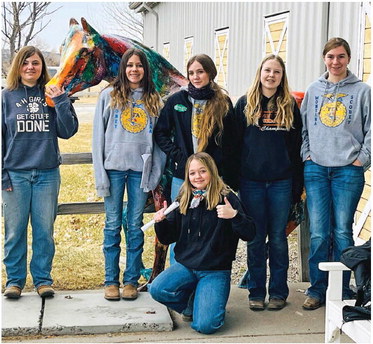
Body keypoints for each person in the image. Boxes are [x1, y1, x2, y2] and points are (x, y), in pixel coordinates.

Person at [148, 152, 255, 334]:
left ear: (212, 172)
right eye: (192, 173)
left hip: (215, 270)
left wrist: (234, 216)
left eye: (202, 171)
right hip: (187, 266)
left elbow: (250, 233)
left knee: (205, 326)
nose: (197, 177)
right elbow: (167, 238)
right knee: (157, 289)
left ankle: (207, 306)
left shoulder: (227, 198)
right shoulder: (184, 198)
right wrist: (161, 222)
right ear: (188, 176)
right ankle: (192, 305)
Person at [2, 46, 78, 299]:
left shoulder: (52, 93)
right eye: (25, 63)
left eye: (35, 63)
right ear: (18, 67)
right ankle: (14, 281)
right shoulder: (6, 97)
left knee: (44, 230)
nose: (30, 68)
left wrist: (61, 101)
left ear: (42, 67)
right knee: (15, 231)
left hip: (47, 174)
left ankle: (43, 280)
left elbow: (68, 131)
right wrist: (3, 176)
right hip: (16, 174)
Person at [300, 37, 371, 310]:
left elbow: (370, 129)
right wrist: (307, 156)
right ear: (324, 58)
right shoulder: (314, 89)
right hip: (316, 168)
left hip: (347, 172)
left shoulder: (362, 91)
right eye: (330, 56)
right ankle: (317, 288)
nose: (335, 62)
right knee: (318, 232)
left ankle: (342, 289)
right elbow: (304, 126)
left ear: (348, 59)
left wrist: (362, 159)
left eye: (340, 56)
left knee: (342, 231)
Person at [92, 48, 166, 301]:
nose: (134, 69)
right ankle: (110, 280)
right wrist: (100, 175)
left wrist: (153, 175)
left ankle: (131, 281)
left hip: (139, 173)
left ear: (145, 69)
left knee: (134, 227)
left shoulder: (154, 99)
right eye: (129, 65)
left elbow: (159, 143)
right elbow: (97, 139)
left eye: (139, 65)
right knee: (112, 226)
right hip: (112, 170)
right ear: (123, 69)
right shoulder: (108, 97)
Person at [154, 54, 239, 264]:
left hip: (212, 178)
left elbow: (231, 141)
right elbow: (161, 133)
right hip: (182, 176)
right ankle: (178, 274)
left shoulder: (222, 102)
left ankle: (206, 273)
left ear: (210, 73)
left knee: (207, 225)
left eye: (200, 71)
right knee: (179, 224)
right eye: (191, 72)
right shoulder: (177, 101)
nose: (196, 76)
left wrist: (218, 166)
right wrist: (178, 156)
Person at [235, 54, 303, 311]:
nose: (271, 75)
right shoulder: (244, 104)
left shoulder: (289, 106)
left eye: (276, 71)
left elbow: (296, 148)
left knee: (277, 238)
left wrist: (296, 188)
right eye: (267, 70)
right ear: (260, 73)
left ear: (282, 76)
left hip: (280, 183)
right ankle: (255, 292)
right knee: (255, 239)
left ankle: (278, 292)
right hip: (251, 182)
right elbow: (233, 145)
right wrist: (234, 181)